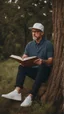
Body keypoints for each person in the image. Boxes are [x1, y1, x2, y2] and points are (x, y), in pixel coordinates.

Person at [1, 23, 54, 107]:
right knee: (22, 66)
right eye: (33, 31)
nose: (34, 33)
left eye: (36, 31)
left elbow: (51, 61)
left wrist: (43, 61)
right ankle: (17, 92)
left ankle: (30, 97)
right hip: (34, 71)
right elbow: (25, 56)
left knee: (42, 66)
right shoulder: (29, 45)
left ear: (42, 33)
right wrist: (24, 58)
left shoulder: (48, 44)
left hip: (44, 73)